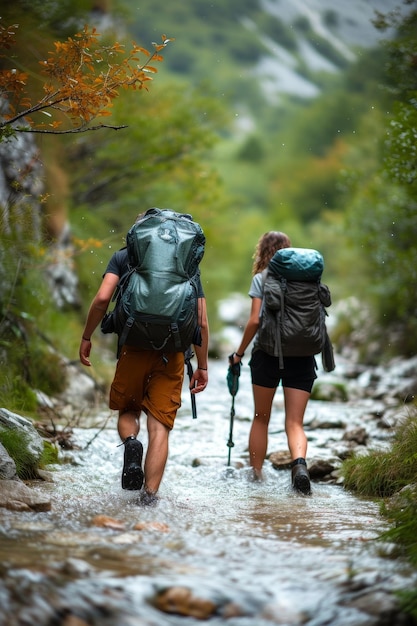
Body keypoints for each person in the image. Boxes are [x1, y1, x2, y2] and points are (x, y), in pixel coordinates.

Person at [79, 217, 209, 506]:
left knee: (128, 408)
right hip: (173, 351)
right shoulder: (186, 261)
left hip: (133, 346)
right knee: (159, 424)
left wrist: (87, 335)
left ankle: (131, 444)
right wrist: (202, 366)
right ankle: (149, 498)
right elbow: (200, 320)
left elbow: (102, 298)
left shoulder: (124, 256)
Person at [231, 231, 316, 495]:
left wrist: (239, 352)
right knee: (295, 422)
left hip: (267, 355)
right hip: (302, 357)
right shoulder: (307, 279)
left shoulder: (261, 278)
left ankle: (256, 477)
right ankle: (299, 465)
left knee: (261, 418)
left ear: (262, 251)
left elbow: (254, 321)